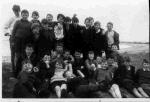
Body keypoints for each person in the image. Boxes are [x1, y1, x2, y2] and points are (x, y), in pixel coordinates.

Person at [11, 9, 32, 78]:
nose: (24, 16)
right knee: (17, 57)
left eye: (26, 14)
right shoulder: (17, 22)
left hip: (25, 42)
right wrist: (12, 42)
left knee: (23, 57)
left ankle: (22, 73)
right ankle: (15, 74)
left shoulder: (30, 23)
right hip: (17, 41)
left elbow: (30, 34)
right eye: (23, 14)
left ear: (28, 15)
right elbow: (13, 32)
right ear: (21, 15)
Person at [4, 4, 21, 77]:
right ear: (13, 11)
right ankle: (14, 73)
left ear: (19, 10)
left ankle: (19, 71)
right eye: (15, 11)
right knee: (13, 55)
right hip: (13, 38)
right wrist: (7, 33)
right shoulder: (12, 18)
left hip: (20, 39)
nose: (16, 12)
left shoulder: (21, 18)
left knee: (19, 55)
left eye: (17, 11)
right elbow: (5, 26)